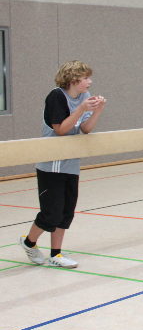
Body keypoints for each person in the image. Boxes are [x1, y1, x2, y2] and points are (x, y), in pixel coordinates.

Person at [18, 60, 107, 268]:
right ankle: (29, 242)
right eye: (86, 78)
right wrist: (81, 109)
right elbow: (61, 130)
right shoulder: (56, 97)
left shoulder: (84, 97)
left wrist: (98, 110)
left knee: (66, 212)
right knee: (51, 214)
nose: (90, 82)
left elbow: (85, 129)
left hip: (71, 162)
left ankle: (55, 254)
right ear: (73, 79)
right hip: (52, 164)